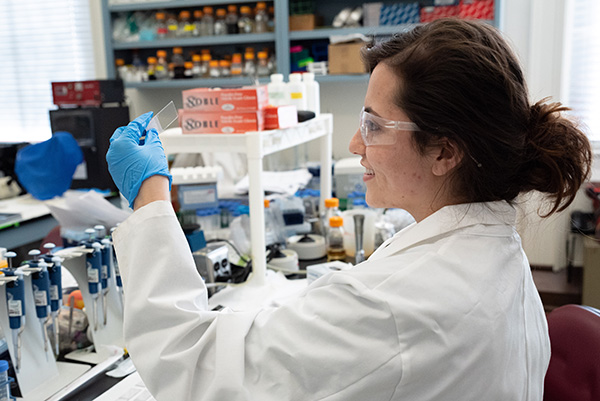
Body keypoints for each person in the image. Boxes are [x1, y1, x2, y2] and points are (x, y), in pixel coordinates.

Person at [106, 19, 592, 401]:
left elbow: (190, 364)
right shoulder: (494, 245)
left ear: (445, 152)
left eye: (375, 125)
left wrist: (150, 193)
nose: (356, 142)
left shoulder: (395, 305)